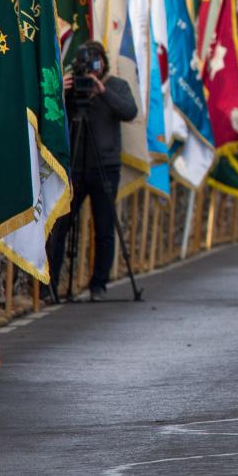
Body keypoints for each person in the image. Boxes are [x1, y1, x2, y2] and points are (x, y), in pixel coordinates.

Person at [47, 40, 138, 302]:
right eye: (85, 62)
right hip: (75, 166)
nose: (90, 69)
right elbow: (52, 116)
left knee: (104, 226)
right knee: (62, 223)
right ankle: (51, 285)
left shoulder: (116, 86)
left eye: (95, 62)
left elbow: (129, 111)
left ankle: (99, 284)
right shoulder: (73, 88)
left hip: (105, 168)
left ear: (104, 63)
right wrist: (59, 93)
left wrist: (103, 92)